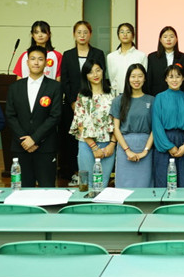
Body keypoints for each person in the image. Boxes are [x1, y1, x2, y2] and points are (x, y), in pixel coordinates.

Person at [5, 45, 62, 187]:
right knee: (23, 189)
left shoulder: (55, 87)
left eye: (40, 59)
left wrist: (35, 139)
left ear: (46, 62)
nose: (36, 62)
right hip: (21, 147)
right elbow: (10, 116)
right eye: (33, 59)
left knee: (47, 188)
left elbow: (55, 116)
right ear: (27, 62)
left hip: (45, 147)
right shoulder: (15, 87)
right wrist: (24, 140)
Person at [60, 20, 107, 185]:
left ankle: (97, 173)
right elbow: (65, 80)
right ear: (74, 34)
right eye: (79, 32)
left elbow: (102, 76)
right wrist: (73, 102)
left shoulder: (98, 53)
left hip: (95, 103)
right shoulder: (67, 55)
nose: (82, 35)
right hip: (72, 105)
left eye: (85, 32)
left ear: (90, 34)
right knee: (74, 140)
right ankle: (75, 173)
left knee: (95, 137)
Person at [69, 59, 115, 189]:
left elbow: (117, 121)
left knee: (103, 183)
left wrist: (112, 144)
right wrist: (94, 148)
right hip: (87, 144)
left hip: (108, 145)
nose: (95, 75)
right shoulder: (82, 96)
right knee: (87, 184)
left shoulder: (112, 93)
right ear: (86, 76)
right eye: (90, 72)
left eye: (98, 70)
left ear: (103, 71)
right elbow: (80, 123)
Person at [111, 64, 155, 188]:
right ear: (128, 79)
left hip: (146, 145)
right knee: (124, 186)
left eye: (140, 76)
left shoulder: (152, 100)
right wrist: (127, 150)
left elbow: (154, 129)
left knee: (145, 184)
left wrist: (145, 151)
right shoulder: (118, 100)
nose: (136, 80)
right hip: (124, 146)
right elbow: (116, 128)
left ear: (145, 78)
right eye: (133, 76)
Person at [151, 64, 184, 187]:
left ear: (183, 78)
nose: (175, 80)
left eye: (178, 76)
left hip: (183, 142)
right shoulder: (159, 98)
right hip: (164, 141)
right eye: (171, 77)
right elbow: (157, 125)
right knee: (163, 180)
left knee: (183, 180)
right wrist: (168, 146)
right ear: (166, 79)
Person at [146, 26, 184, 96]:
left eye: (171, 37)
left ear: (176, 39)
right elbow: (149, 80)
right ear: (160, 40)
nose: (168, 39)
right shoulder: (152, 57)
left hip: (178, 96)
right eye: (165, 37)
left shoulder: (183, 58)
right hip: (156, 95)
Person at [107, 22, 147, 96]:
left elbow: (143, 77)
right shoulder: (111, 57)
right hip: (118, 95)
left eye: (128, 32)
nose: (125, 34)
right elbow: (112, 78)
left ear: (133, 36)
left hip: (136, 95)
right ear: (118, 36)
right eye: (122, 32)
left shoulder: (141, 55)